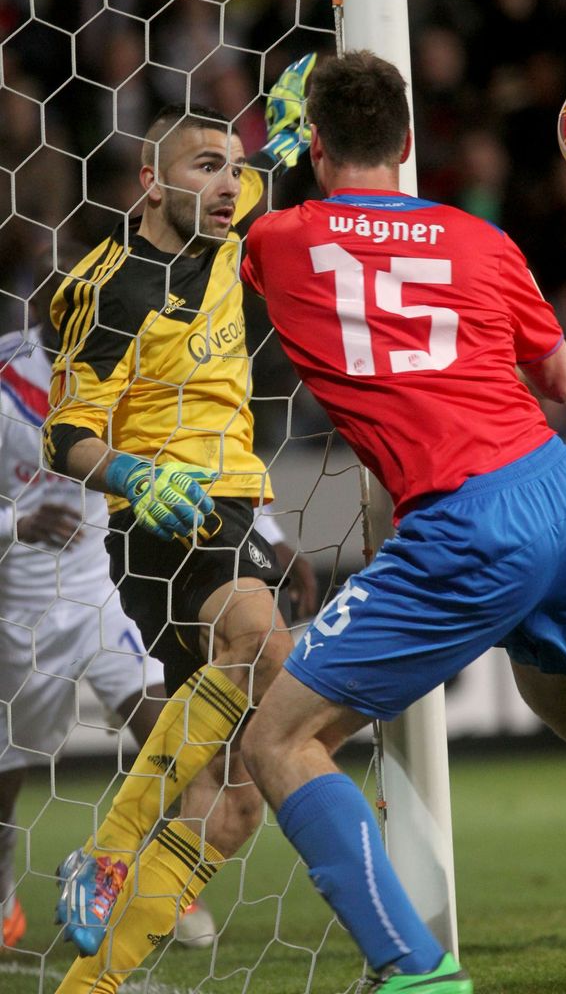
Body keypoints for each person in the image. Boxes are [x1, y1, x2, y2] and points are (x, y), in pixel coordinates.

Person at [238, 50, 566, 993]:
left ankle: (412, 969)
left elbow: (213, 241)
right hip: (556, 494)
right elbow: (564, 382)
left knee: (279, 740)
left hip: (462, 522)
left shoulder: (279, 240)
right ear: (407, 145)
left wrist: (265, 158)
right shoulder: (481, 241)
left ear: (317, 147)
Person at [44, 56, 317, 991]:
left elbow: (267, 169)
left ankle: (95, 981)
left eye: (234, 170)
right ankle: (110, 849)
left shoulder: (230, 235)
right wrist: (134, 474)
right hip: (163, 518)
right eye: (206, 167)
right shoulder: (112, 284)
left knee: (236, 799)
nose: (228, 184)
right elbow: (66, 435)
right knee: (261, 642)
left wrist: (296, 125)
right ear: (149, 181)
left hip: (241, 509)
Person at [0, 317, 168, 950]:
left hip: (105, 588)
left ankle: (158, 887)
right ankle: (3, 893)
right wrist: (17, 521)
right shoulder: (6, 374)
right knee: (7, 776)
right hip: (21, 609)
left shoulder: (123, 363)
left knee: (167, 733)